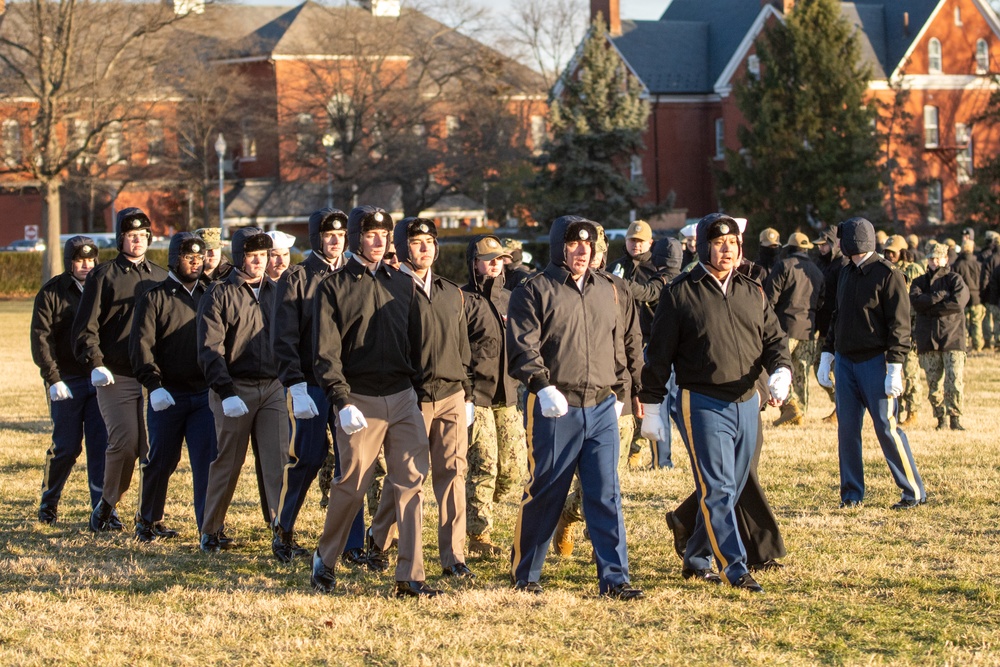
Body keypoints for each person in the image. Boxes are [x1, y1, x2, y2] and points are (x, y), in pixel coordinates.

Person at [640, 213, 791, 593]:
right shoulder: (680, 292)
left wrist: (782, 370)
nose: (728, 250)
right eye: (720, 243)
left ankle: (695, 558)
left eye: (734, 243)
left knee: (734, 487)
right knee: (718, 488)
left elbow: (774, 339)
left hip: (746, 401)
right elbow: (658, 356)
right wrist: (653, 405)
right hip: (703, 402)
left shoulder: (752, 289)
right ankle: (734, 566)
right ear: (705, 245)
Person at [506, 215, 643, 600]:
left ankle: (615, 579)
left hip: (601, 406)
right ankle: (526, 573)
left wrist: (619, 390)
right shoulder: (534, 290)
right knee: (547, 491)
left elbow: (617, 345)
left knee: (605, 493)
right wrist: (542, 385)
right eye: (574, 245)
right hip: (555, 407)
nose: (583, 252)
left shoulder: (607, 290)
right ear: (559, 248)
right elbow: (522, 347)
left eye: (589, 246)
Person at [309, 205, 439, 599]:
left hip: (402, 397)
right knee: (351, 484)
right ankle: (325, 558)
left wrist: (421, 391)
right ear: (355, 238)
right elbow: (325, 352)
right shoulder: (333, 287)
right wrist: (340, 399)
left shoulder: (402, 284)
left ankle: (410, 576)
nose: (380, 241)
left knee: (411, 484)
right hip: (358, 400)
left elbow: (417, 344)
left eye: (385, 234)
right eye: (370, 234)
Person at [368, 217, 475, 579]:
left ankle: (454, 557)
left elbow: (463, 348)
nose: (425, 248)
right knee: (407, 476)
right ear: (402, 247)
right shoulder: (390, 289)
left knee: (453, 474)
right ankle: (379, 539)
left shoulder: (451, 292)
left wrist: (468, 394)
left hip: (452, 395)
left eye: (430, 241)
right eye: (416, 242)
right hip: (411, 397)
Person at [271, 208, 366, 565]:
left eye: (340, 235)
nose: (335, 240)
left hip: (347, 386)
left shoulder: (354, 275)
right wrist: (293, 383)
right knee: (307, 458)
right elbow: (284, 336)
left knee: (351, 463)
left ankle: (352, 542)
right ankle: (284, 528)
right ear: (316, 238)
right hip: (309, 384)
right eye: (328, 235)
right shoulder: (296, 277)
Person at [817, 217, 926, 510]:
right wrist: (827, 352)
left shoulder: (888, 275)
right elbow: (837, 316)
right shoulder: (844, 273)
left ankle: (913, 491)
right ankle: (851, 493)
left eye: (842, 239)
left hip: (876, 362)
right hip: (845, 361)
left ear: (855, 241)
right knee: (847, 430)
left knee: (886, 427)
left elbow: (900, 326)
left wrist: (895, 366)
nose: (837, 244)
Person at [72, 208, 168, 532]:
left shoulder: (161, 276)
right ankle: (106, 505)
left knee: (154, 450)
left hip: (155, 376)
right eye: (131, 235)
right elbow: (85, 328)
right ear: (120, 239)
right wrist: (95, 363)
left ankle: (149, 517)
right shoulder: (103, 275)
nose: (137, 240)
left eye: (142, 235)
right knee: (125, 443)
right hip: (117, 373)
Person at [552, 223, 644, 557]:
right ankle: (567, 517)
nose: (590, 256)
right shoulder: (557, 287)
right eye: (581, 247)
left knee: (608, 479)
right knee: (576, 476)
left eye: (597, 251)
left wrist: (636, 390)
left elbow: (632, 340)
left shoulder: (617, 289)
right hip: (571, 398)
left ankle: (599, 540)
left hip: (613, 395)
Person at [197, 228, 289, 551]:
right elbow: (210, 349)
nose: (260, 262)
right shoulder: (219, 294)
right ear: (239, 258)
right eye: (253, 256)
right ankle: (211, 530)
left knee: (278, 460)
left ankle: (282, 530)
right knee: (228, 461)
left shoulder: (277, 291)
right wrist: (225, 391)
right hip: (235, 389)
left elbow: (289, 339)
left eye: (264, 256)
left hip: (273, 387)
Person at [129, 232, 216, 542]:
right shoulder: (154, 297)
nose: (195, 263)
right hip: (167, 394)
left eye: (199, 257)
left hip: (205, 394)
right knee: (162, 459)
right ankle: (148, 520)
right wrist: (154, 386)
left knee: (207, 461)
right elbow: (141, 347)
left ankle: (208, 527)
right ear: (173, 259)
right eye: (188, 257)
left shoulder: (211, 293)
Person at [30, 236, 108, 524]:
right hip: (66, 381)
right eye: (80, 260)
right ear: (69, 262)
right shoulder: (52, 292)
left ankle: (101, 509)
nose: (86, 265)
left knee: (102, 446)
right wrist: (52, 379)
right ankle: (49, 503)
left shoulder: (103, 287)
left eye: (90, 260)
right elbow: (41, 338)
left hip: (99, 379)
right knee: (65, 446)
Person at [461, 234, 527, 558]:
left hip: (509, 396)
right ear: (474, 262)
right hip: (478, 397)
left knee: (513, 469)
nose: (494, 263)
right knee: (484, 465)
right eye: (487, 258)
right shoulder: (463, 300)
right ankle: (479, 536)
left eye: (498, 258)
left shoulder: (512, 299)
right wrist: (466, 397)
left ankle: (475, 504)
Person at [608, 220, 669, 469]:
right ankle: (629, 444)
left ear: (650, 243)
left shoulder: (656, 269)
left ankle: (638, 448)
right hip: (620, 341)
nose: (636, 245)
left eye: (641, 241)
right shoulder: (615, 267)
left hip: (648, 340)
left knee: (643, 394)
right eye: (632, 240)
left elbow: (653, 294)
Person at [764, 232, 824, 426]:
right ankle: (801, 411)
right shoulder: (816, 271)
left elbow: (770, 298)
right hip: (808, 329)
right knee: (802, 372)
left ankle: (789, 408)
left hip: (785, 328)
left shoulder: (783, 266)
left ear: (788, 248)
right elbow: (821, 300)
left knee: (781, 368)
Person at [910, 243, 970, 430]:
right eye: (931, 258)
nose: (934, 262)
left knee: (955, 381)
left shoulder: (955, 280)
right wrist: (940, 296)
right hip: (928, 339)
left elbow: (958, 303)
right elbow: (916, 302)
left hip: (953, 338)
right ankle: (940, 418)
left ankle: (955, 418)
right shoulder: (919, 282)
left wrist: (931, 307)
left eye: (938, 258)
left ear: (945, 258)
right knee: (933, 383)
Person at [882, 235, 925, 425]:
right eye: (887, 252)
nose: (890, 255)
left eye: (893, 252)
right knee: (892, 372)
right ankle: (895, 410)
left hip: (911, 327)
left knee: (910, 372)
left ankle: (913, 411)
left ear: (902, 252)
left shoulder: (914, 270)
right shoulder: (884, 270)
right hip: (890, 328)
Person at [812, 229, 848, 422]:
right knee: (819, 368)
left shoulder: (842, 265)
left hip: (837, 326)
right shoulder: (821, 264)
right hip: (823, 326)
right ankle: (839, 403)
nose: (821, 248)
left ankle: (841, 407)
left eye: (824, 244)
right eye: (819, 245)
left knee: (836, 370)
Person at [952, 239, 984, 351]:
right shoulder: (979, 264)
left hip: (962, 298)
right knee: (976, 322)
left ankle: (964, 344)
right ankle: (978, 344)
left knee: (963, 322)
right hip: (977, 296)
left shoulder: (957, 265)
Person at [981, 231, 1000, 350]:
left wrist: (983, 293)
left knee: (994, 319)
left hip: (992, 295)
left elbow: (985, 279)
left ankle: (996, 341)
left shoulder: (989, 259)